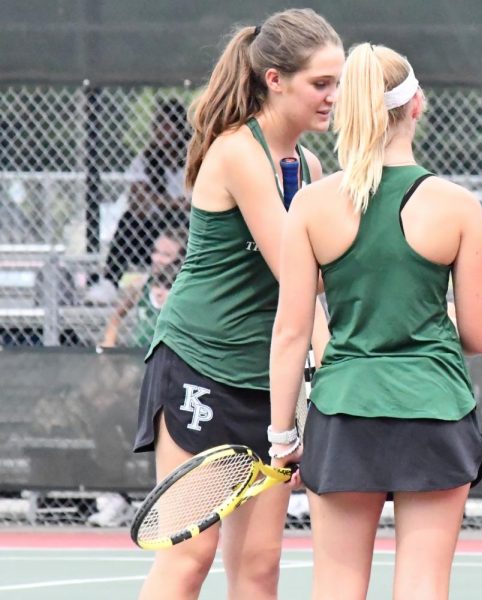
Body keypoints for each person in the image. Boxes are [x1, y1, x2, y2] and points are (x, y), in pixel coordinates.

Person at [268, 43, 482, 600]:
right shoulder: (456, 205)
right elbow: (479, 336)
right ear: (416, 105)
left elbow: (292, 334)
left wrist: (283, 439)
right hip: (434, 409)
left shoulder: (313, 206)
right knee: (422, 585)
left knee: (338, 586)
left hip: (345, 413)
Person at [132, 9, 341, 600]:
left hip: (264, 382)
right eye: (320, 83)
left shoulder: (312, 168)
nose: (332, 97)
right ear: (275, 79)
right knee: (190, 552)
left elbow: (313, 294)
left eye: (338, 82)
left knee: (258, 567)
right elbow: (299, 275)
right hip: (200, 365)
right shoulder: (237, 152)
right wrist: (331, 362)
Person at [85, 229, 185, 528]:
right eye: (155, 252)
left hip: (170, 380)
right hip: (135, 380)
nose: (158, 259)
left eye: (166, 254)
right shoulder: (141, 288)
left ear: (180, 257)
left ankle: (162, 500)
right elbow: (116, 318)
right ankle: (115, 498)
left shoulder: (187, 286)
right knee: (102, 412)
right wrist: (108, 352)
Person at [86, 98, 191, 304]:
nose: (160, 131)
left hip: (183, 232)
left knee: (180, 217)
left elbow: (196, 203)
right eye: (157, 125)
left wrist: (160, 201)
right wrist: (174, 202)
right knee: (129, 220)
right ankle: (109, 283)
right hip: (151, 233)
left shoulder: (194, 158)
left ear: (179, 129)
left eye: (167, 125)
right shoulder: (145, 160)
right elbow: (137, 202)